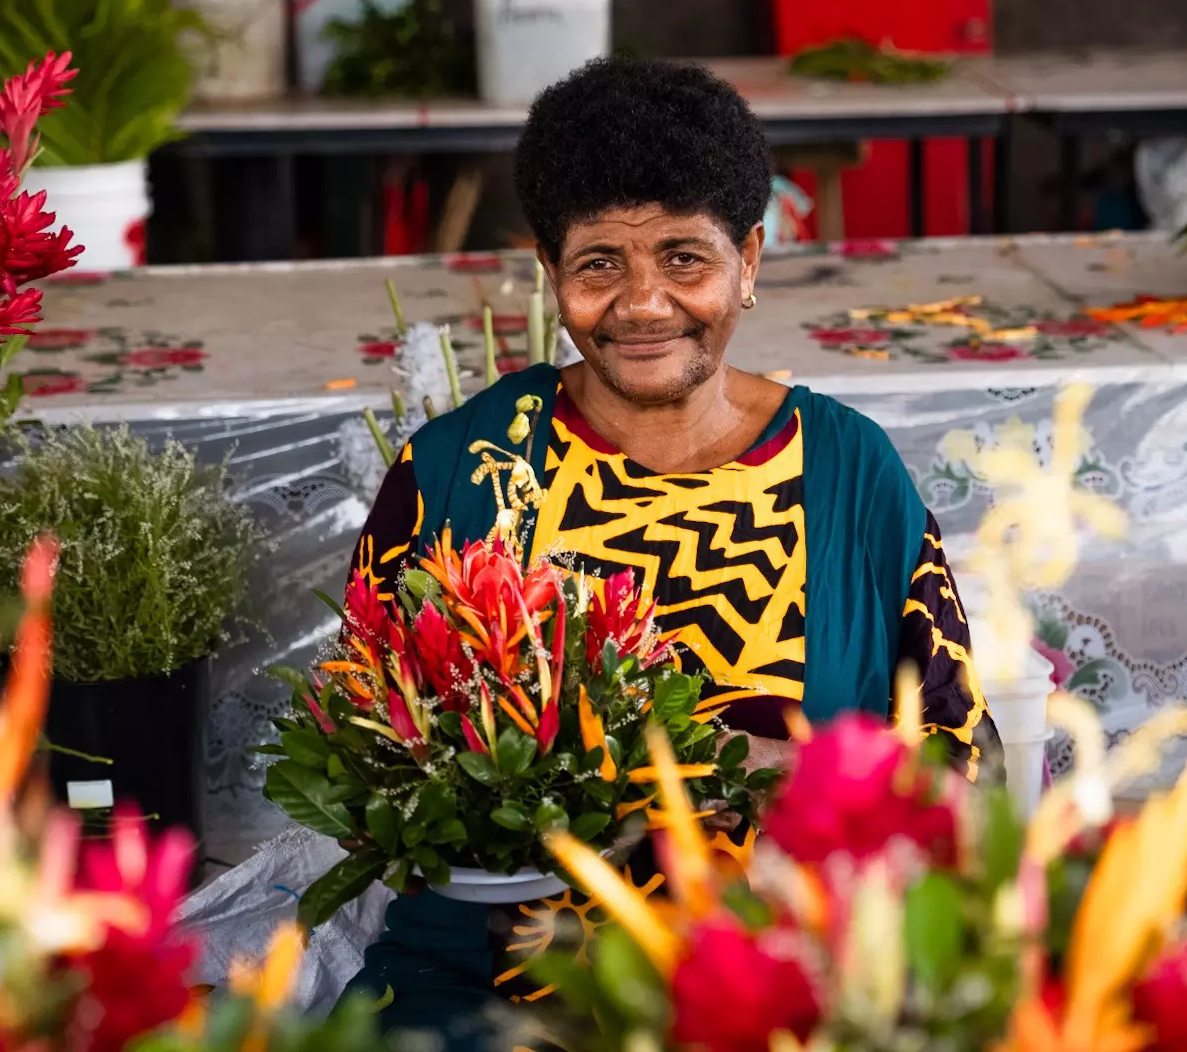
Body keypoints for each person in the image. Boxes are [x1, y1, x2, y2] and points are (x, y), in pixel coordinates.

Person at [335, 57, 997, 1051]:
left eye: (684, 258)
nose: (644, 303)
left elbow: (956, 777)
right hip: (499, 981)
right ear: (551, 274)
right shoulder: (461, 472)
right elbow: (359, 766)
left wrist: (765, 765)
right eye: (600, 263)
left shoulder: (846, 473)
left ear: (751, 260)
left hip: (796, 975)